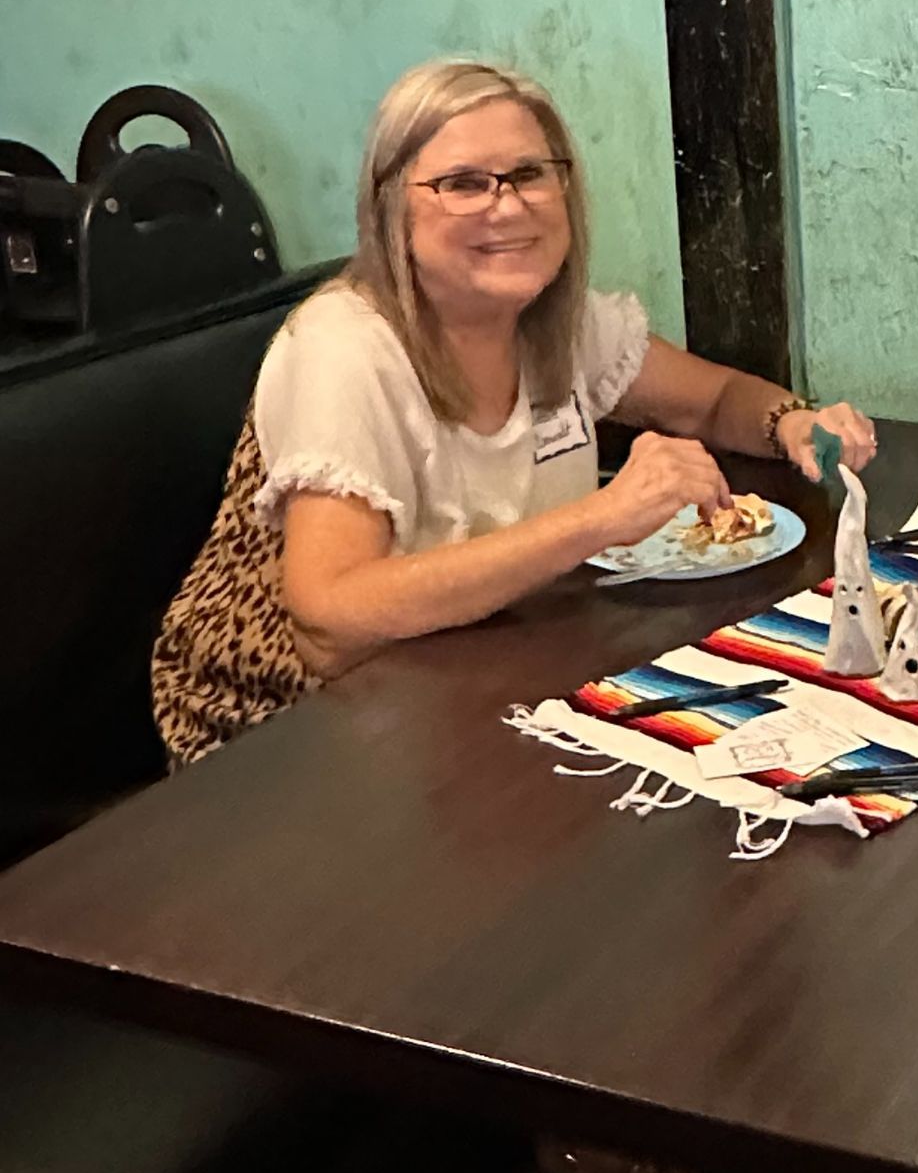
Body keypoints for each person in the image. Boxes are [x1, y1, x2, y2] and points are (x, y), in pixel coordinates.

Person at [151, 58, 877, 765]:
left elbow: (716, 399)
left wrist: (791, 421)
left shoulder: (548, 320)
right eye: (464, 183)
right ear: (392, 206)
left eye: (531, 173)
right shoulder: (340, 349)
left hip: (481, 682)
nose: (509, 203)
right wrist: (597, 518)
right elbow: (330, 620)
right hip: (287, 743)